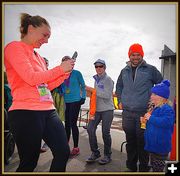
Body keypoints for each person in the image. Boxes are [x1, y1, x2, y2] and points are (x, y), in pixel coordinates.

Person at [4, 13, 74, 172]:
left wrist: (64, 75)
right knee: (29, 162)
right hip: (25, 111)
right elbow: (31, 78)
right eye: (45, 35)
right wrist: (59, 69)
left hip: (48, 110)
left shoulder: (40, 58)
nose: (47, 40)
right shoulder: (14, 47)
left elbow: (45, 86)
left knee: (63, 152)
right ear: (30, 29)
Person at [115, 43, 163, 172]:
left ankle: (143, 168)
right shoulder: (124, 71)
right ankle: (130, 166)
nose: (135, 57)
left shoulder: (150, 69)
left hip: (143, 113)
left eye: (138, 55)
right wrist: (119, 100)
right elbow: (119, 86)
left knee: (142, 142)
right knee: (130, 141)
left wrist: (154, 103)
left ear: (142, 55)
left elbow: (162, 84)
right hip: (127, 113)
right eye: (133, 55)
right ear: (129, 56)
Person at [141, 80, 175, 172]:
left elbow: (167, 122)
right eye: (152, 94)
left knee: (158, 168)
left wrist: (150, 118)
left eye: (154, 95)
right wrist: (145, 121)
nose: (151, 96)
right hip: (153, 145)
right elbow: (153, 123)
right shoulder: (154, 108)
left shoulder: (167, 109)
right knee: (154, 165)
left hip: (160, 147)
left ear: (162, 97)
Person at [86, 59, 114, 165]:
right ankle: (95, 152)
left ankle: (108, 155)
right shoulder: (96, 79)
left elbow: (107, 95)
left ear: (104, 67)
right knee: (90, 129)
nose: (98, 68)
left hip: (107, 110)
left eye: (100, 66)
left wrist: (93, 91)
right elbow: (96, 96)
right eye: (96, 67)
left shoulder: (108, 79)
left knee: (105, 133)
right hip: (97, 110)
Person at [61, 56, 86, 158]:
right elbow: (61, 87)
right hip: (66, 101)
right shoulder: (61, 74)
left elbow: (83, 86)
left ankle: (76, 147)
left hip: (76, 101)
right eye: (64, 63)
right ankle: (66, 147)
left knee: (73, 124)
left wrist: (83, 97)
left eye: (67, 62)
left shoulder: (77, 73)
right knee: (66, 124)